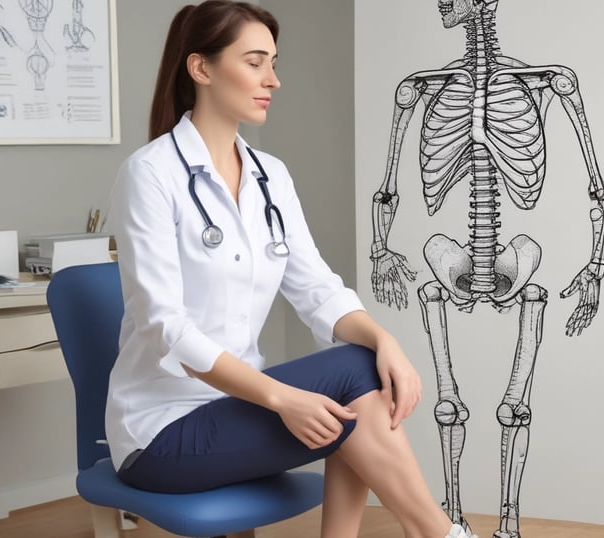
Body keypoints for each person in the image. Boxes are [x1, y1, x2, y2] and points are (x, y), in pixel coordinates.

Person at [106, 2, 475, 537]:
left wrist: (383, 338)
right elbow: (166, 328)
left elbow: (318, 290)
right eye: (255, 62)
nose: (273, 80)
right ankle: (439, 533)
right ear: (201, 68)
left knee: (364, 366)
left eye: (273, 63)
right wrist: (281, 397)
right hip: (161, 434)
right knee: (354, 377)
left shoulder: (269, 176)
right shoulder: (150, 174)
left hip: (237, 410)